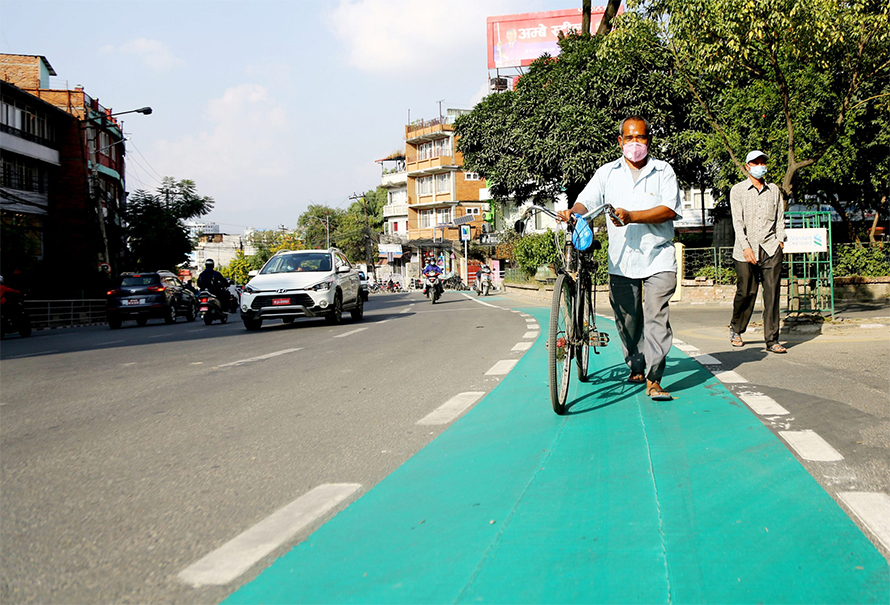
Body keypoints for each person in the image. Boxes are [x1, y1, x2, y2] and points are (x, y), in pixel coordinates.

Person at [558, 116, 683, 401]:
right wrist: (575, 212)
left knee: (656, 318)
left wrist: (632, 217)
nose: (635, 143)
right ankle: (636, 366)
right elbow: (585, 201)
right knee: (627, 320)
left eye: (640, 137)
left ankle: (654, 379)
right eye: (629, 138)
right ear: (620, 141)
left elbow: (670, 209)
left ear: (648, 141)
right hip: (622, 261)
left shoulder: (663, 170)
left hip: (659, 258)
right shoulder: (607, 173)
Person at [729, 150, 787, 353]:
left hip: (771, 248)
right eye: (756, 163)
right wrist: (745, 247)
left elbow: (780, 218)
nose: (760, 166)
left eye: (763, 162)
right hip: (745, 250)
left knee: (772, 294)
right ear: (747, 166)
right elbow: (737, 221)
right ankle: (736, 328)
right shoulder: (738, 190)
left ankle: (772, 340)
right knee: (746, 292)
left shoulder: (774, 190)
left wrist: (780, 240)